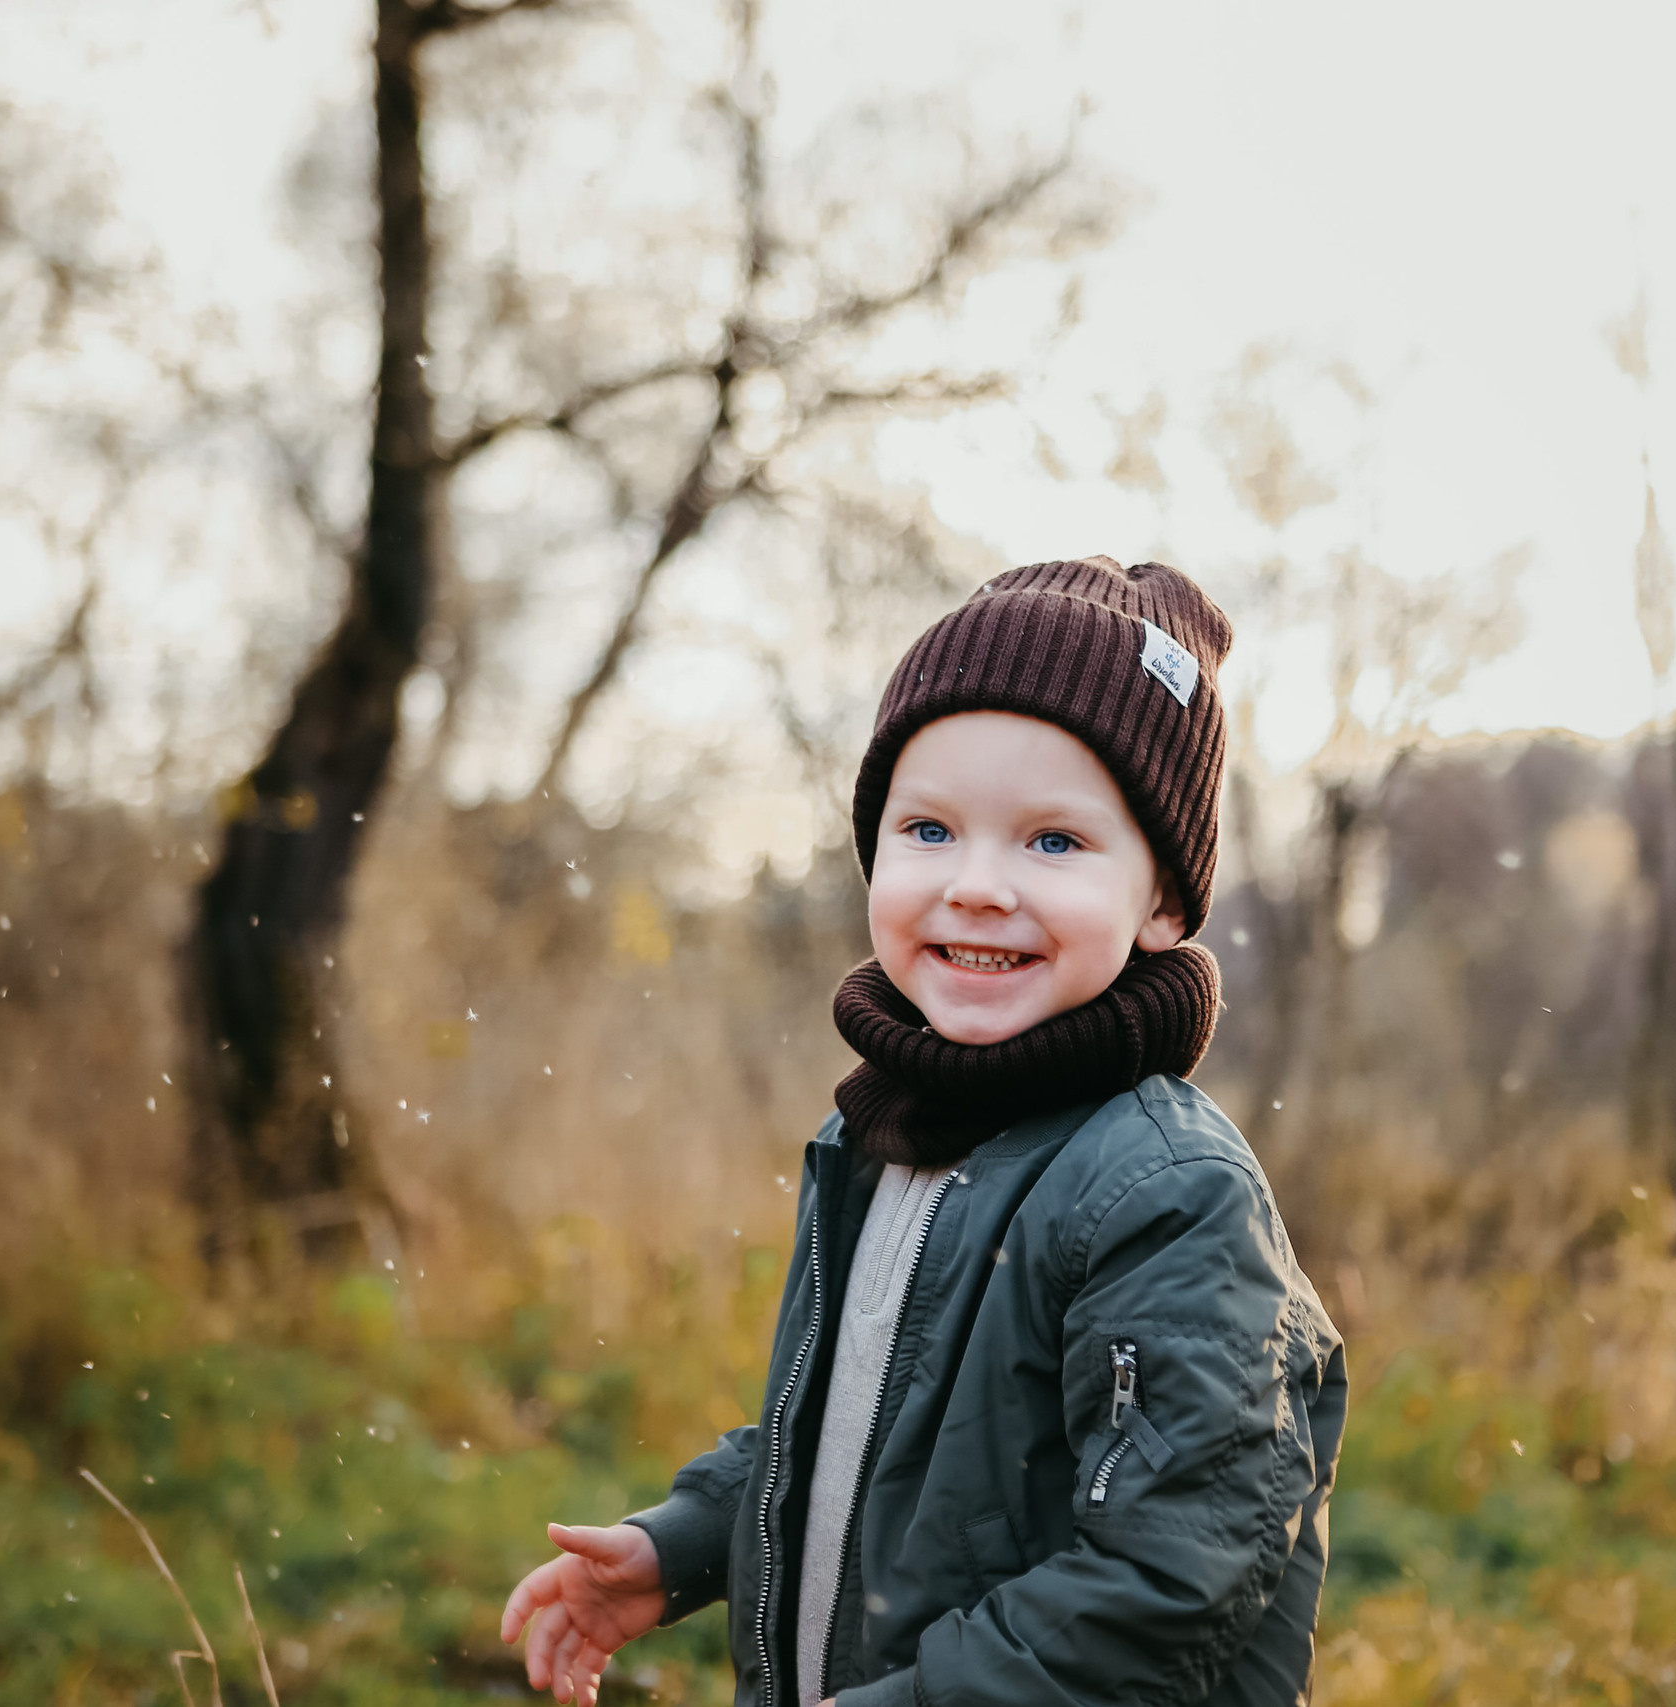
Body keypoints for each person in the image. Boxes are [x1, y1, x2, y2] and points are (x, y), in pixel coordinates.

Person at [500, 558, 1347, 1707]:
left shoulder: (1163, 1191)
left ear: (1161, 902)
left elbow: (1168, 1581)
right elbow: (865, 1433)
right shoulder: (880, 1137)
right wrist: (685, 1542)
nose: (979, 886)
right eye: (929, 829)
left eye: (1054, 842)